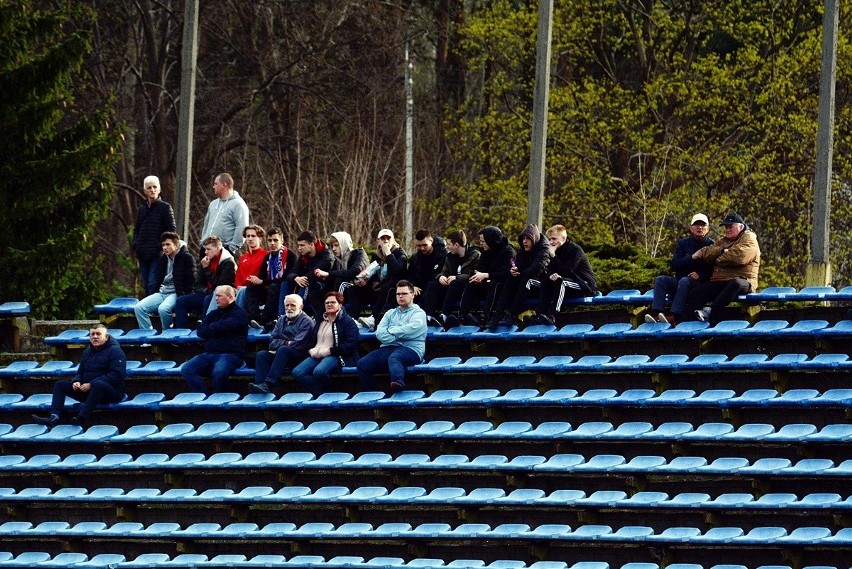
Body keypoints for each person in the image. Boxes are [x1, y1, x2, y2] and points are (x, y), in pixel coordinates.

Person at [32, 324, 126, 428]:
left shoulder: (116, 351)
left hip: (111, 393)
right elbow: (80, 372)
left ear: (106, 336)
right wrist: (76, 382)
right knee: (60, 385)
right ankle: (54, 417)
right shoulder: (87, 352)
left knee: (99, 384)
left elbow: (117, 375)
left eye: (98, 334)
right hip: (89, 393)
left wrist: (91, 384)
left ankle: (81, 419)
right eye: (92, 334)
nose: (95, 336)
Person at [685, 213, 760, 325]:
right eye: (726, 227)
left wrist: (718, 258)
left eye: (730, 226)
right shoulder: (723, 240)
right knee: (694, 293)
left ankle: (711, 314)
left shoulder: (750, 239)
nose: (727, 229)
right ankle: (693, 325)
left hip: (745, 280)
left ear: (740, 226)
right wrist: (722, 251)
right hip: (721, 280)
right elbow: (707, 254)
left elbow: (739, 258)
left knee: (736, 283)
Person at [357, 280, 427, 393]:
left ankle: (398, 383)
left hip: (412, 349)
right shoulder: (389, 313)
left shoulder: (419, 313)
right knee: (362, 364)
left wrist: (391, 331)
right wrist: (397, 336)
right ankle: (372, 394)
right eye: (398, 294)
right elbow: (379, 333)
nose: (400, 296)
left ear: (412, 294)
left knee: (395, 357)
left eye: (404, 293)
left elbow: (411, 330)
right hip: (388, 348)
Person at [645, 213, 714, 324]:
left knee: (684, 281)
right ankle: (656, 314)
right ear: (691, 228)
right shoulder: (683, 243)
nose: (699, 227)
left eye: (703, 225)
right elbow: (674, 265)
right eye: (696, 224)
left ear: (708, 229)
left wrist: (700, 275)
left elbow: (714, 271)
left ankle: (674, 316)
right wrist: (692, 257)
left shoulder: (712, 245)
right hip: (680, 283)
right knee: (660, 279)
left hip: (698, 285)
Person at [181, 285, 250, 394]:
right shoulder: (213, 314)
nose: (216, 299)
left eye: (219, 296)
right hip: (209, 353)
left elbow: (227, 325)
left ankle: (222, 397)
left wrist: (212, 328)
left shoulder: (240, 313)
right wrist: (218, 328)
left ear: (230, 297)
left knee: (219, 372)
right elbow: (201, 331)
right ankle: (204, 396)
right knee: (187, 369)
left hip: (231, 354)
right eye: (215, 296)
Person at [526, 224, 597, 326]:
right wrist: (550, 275)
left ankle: (553, 316)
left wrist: (553, 256)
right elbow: (550, 270)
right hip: (567, 283)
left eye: (554, 239)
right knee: (546, 281)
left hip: (583, 284)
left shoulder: (575, 250)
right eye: (549, 239)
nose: (551, 242)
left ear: (564, 238)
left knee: (562, 282)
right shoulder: (554, 250)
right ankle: (539, 315)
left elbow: (566, 272)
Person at [292, 291, 360, 396]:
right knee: (297, 372)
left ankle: (327, 394)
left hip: (336, 354)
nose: (329, 304)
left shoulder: (347, 321)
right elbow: (311, 339)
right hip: (316, 354)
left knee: (319, 371)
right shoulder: (319, 319)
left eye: (333, 302)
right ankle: (321, 393)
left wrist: (330, 351)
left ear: (340, 305)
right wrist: (310, 349)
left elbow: (350, 344)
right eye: (327, 303)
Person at [485, 223, 549, 329]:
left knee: (525, 278)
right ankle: (497, 315)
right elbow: (519, 264)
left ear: (534, 239)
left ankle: (513, 313)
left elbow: (536, 269)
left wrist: (520, 272)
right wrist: (514, 270)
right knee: (511, 278)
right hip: (526, 283)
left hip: (542, 283)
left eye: (528, 239)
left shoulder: (544, 249)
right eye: (523, 238)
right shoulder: (523, 250)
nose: (524, 241)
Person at [248, 294, 315, 394]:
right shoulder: (281, 320)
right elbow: (272, 342)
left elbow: (297, 344)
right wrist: (286, 343)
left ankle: (269, 384)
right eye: (287, 305)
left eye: (292, 305)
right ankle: (260, 387)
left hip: (300, 356)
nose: (289, 308)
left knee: (283, 350)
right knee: (261, 355)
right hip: (282, 355)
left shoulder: (306, 321)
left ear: (301, 307)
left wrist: (282, 344)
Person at [133, 232, 197, 331]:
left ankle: (166, 333)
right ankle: (147, 335)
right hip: (162, 292)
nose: (164, 248)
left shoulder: (187, 257)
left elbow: (192, 280)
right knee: (139, 308)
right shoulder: (163, 259)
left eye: (168, 244)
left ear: (176, 245)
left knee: (163, 309)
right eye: (163, 245)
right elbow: (157, 280)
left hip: (177, 293)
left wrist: (187, 299)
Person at [349, 229, 408, 329]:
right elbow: (373, 273)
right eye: (383, 239)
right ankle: (354, 320)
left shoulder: (400, 254)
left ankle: (374, 319)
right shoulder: (377, 255)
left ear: (393, 240)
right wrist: (366, 280)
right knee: (354, 288)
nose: (385, 241)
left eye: (388, 239)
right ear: (378, 241)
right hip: (378, 290)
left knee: (386, 287)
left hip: (393, 291)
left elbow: (397, 271)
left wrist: (389, 254)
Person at [173, 235, 237, 328]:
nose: (205, 252)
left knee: (208, 299)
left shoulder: (228, 263)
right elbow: (197, 284)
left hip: (220, 295)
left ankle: (204, 329)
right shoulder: (206, 259)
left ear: (218, 248)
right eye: (205, 249)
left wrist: (206, 268)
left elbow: (220, 286)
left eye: (208, 249)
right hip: (207, 293)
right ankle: (182, 334)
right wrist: (208, 291)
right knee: (181, 301)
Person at [424, 230, 481, 328]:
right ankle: (429, 317)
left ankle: (444, 316)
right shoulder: (450, 256)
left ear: (456, 245)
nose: (447, 247)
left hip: (467, 287)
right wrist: (441, 277)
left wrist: (457, 277)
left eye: (449, 244)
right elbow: (444, 271)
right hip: (451, 286)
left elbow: (475, 275)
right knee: (432, 284)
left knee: (455, 283)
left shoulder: (475, 254)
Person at [245, 228, 297, 328]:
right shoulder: (267, 257)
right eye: (269, 240)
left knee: (274, 286)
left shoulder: (290, 256)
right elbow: (262, 277)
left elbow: (287, 277)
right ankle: (254, 319)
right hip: (269, 288)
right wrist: (256, 280)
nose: (272, 243)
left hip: (283, 289)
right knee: (250, 288)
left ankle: (265, 320)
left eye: (275, 240)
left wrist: (263, 281)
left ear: (282, 241)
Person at [133, 175, 176, 296]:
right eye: (149, 187)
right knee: (146, 284)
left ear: (159, 189)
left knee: (154, 283)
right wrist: (136, 244)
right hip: (143, 253)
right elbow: (137, 229)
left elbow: (171, 230)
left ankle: (153, 311)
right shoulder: (142, 208)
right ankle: (149, 311)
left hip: (157, 253)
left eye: (155, 187)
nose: (152, 190)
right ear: (145, 190)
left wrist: (161, 246)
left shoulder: (165, 207)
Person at [199, 173, 250, 258]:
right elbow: (206, 224)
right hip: (206, 250)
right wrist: (203, 242)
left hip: (224, 250)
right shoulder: (213, 204)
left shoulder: (238, 204)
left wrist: (231, 248)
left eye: (216, 184)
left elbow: (242, 228)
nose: (213, 186)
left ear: (224, 185)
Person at [286, 230, 336, 317]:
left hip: (327, 287)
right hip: (311, 286)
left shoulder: (327, 256)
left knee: (306, 281)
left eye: (302, 245)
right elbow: (291, 273)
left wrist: (301, 278)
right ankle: (282, 316)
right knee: (285, 283)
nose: (299, 248)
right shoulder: (303, 257)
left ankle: (296, 315)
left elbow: (314, 273)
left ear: (312, 244)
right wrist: (295, 278)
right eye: (298, 245)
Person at [313, 231, 368, 295]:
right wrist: (324, 277)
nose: (333, 249)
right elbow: (334, 275)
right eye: (332, 246)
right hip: (348, 288)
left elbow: (354, 272)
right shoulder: (338, 260)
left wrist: (328, 274)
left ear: (344, 244)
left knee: (340, 281)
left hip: (361, 288)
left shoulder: (359, 254)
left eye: (336, 245)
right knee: (315, 295)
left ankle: (337, 304)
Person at [232, 224, 267, 314]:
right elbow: (238, 278)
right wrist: (237, 287)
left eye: (253, 236)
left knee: (243, 290)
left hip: (257, 290)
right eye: (248, 236)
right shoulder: (243, 258)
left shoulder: (266, 255)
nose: (250, 239)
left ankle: (236, 318)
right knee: (219, 290)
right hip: (240, 290)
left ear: (260, 238)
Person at [407, 229, 447, 307]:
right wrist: (412, 286)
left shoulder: (442, 255)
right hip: (419, 289)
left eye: (425, 245)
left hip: (437, 289)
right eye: (419, 246)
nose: (422, 248)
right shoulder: (415, 258)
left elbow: (445, 272)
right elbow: (409, 275)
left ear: (431, 241)